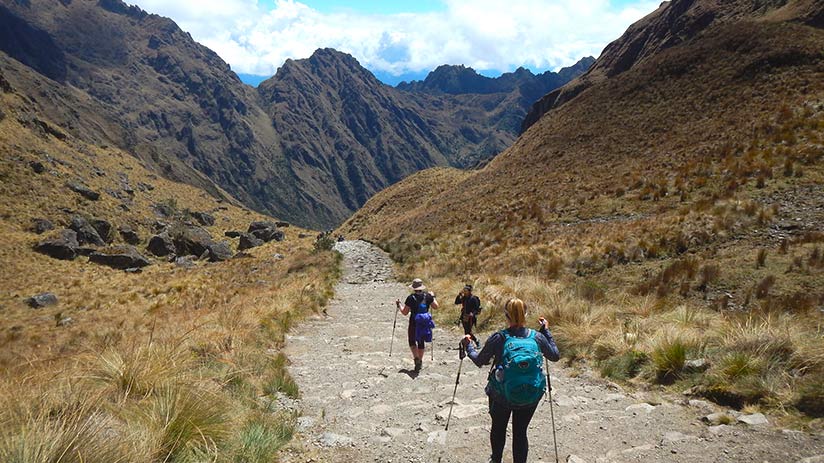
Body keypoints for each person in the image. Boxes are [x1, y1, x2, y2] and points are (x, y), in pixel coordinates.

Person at [462, 298, 560, 463]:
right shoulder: (537, 337)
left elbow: (480, 361)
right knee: (520, 432)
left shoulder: (499, 338)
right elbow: (555, 356)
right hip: (530, 395)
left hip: (501, 395)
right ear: (526, 314)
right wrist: (546, 331)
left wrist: (468, 346)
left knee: (499, 428)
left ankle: (496, 460)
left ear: (506, 315)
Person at [396, 278, 439, 372]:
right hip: (424, 322)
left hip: (414, 322)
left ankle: (416, 359)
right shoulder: (428, 296)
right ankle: (420, 359)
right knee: (421, 341)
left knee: (412, 341)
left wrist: (399, 305)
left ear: (413, 288)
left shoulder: (410, 298)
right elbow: (436, 306)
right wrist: (433, 296)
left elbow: (405, 312)